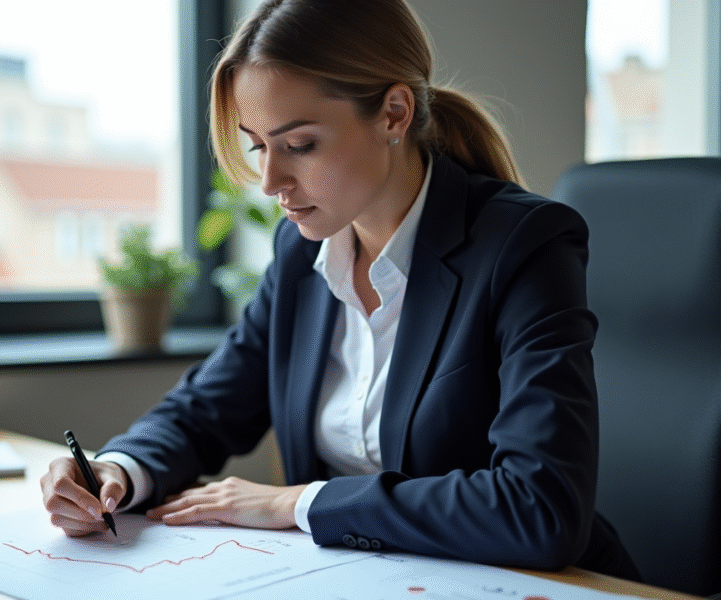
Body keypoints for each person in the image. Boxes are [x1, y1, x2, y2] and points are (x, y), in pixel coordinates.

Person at [41, 0, 640, 580]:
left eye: (300, 145)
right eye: (258, 146)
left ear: (394, 114)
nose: (271, 181)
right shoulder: (302, 251)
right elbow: (207, 409)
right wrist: (118, 469)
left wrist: (299, 503)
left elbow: (539, 508)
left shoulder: (523, 244)